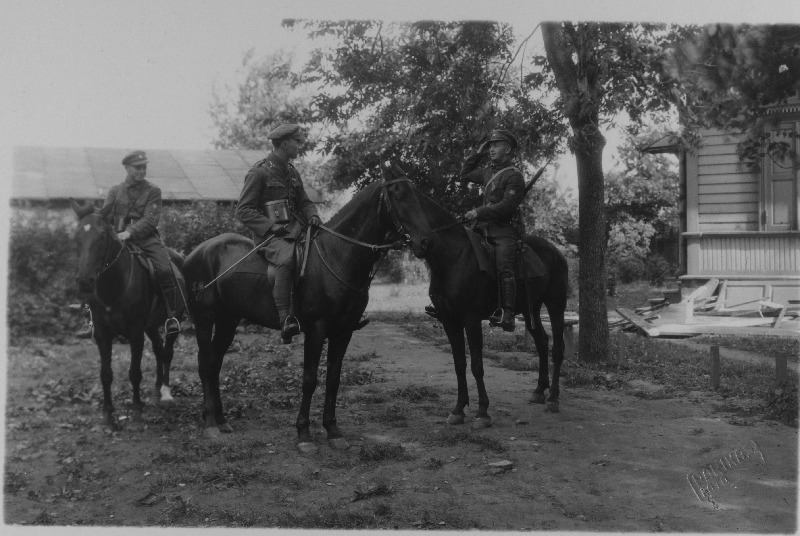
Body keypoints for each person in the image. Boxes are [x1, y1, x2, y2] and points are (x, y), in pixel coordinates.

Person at [78, 150, 182, 336]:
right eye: (137, 168)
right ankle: (89, 319)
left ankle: (171, 316)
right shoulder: (115, 191)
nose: (141, 171)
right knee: (90, 267)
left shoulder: (153, 191)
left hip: (146, 239)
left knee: (165, 269)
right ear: (126, 168)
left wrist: (130, 231)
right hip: (117, 238)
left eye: (144, 167)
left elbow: (151, 219)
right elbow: (105, 215)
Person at [235, 124, 322, 343]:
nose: (299, 145)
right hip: (271, 237)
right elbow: (243, 210)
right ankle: (286, 319)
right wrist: (271, 227)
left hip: (297, 229)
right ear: (285, 144)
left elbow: (304, 201)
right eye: (296, 141)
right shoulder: (259, 172)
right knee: (286, 259)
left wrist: (313, 215)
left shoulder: (292, 171)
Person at [460, 129, 525, 332]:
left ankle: (508, 314)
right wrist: (477, 153)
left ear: (507, 149)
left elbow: (507, 206)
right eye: (490, 145)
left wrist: (478, 212)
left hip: (503, 230)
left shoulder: (514, 177)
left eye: (496, 145)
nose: (491, 149)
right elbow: (464, 173)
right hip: (481, 229)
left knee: (503, 264)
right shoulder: (488, 172)